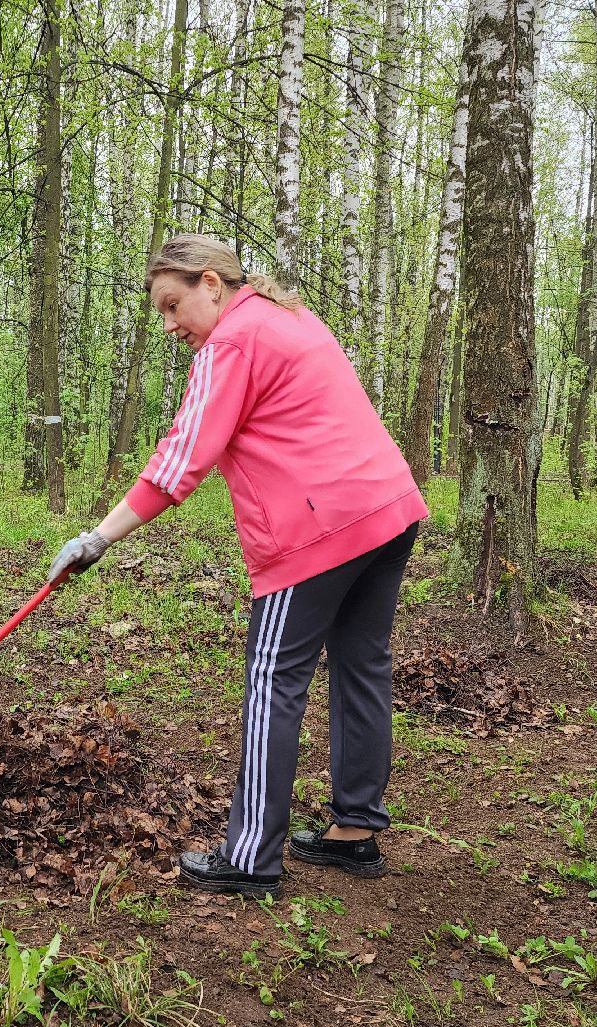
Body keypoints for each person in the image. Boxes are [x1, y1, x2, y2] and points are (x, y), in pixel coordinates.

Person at [49, 234, 428, 899]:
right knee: (362, 666)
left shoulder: (232, 341)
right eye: (161, 314)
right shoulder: (288, 315)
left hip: (319, 530)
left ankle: (251, 857)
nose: (169, 326)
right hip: (387, 509)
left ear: (212, 285)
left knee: (272, 678)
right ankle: (354, 831)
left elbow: (182, 458)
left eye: (174, 306)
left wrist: (98, 537)